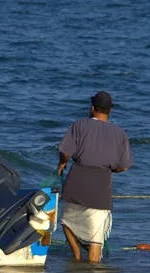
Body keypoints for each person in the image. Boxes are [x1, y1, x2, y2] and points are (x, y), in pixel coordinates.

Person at [56, 91, 132, 263]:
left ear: (92, 108)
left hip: (77, 180)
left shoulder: (79, 125)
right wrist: (108, 168)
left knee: (66, 222)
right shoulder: (120, 133)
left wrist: (62, 163)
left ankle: (76, 256)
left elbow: (65, 152)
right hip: (101, 186)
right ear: (109, 110)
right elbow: (123, 166)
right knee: (96, 236)